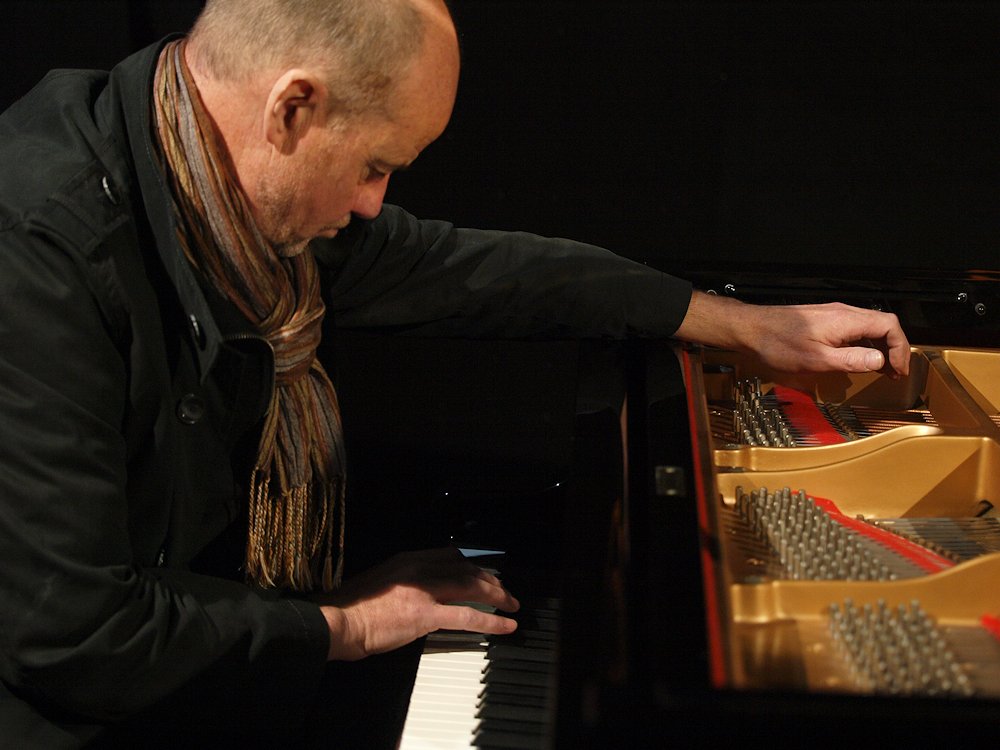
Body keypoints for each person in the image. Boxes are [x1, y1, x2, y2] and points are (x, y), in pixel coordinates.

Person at [0, 0, 909, 746]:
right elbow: (76, 633)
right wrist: (344, 625)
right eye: (375, 166)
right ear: (292, 109)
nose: (373, 204)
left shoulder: (217, 182)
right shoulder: (43, 252)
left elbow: (477, 271)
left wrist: (735, 323)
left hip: (210, 655)